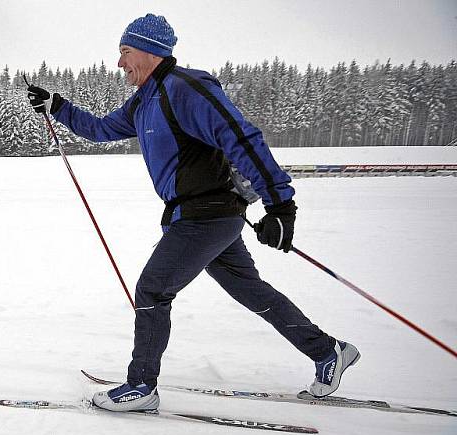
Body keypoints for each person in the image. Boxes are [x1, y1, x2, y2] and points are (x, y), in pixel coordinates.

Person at [27, 13, 360, 412]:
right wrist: (56, 105)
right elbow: (100, 129)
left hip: (207, 215)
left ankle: (141, 386)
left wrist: (280, 204)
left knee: (153, 288)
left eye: (125, 53)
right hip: (201, 216)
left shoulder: (186, 89)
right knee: (250, 290)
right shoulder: (145, 100)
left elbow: (241, 137)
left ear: (149, 52)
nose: (119, 64)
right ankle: (328, 351)